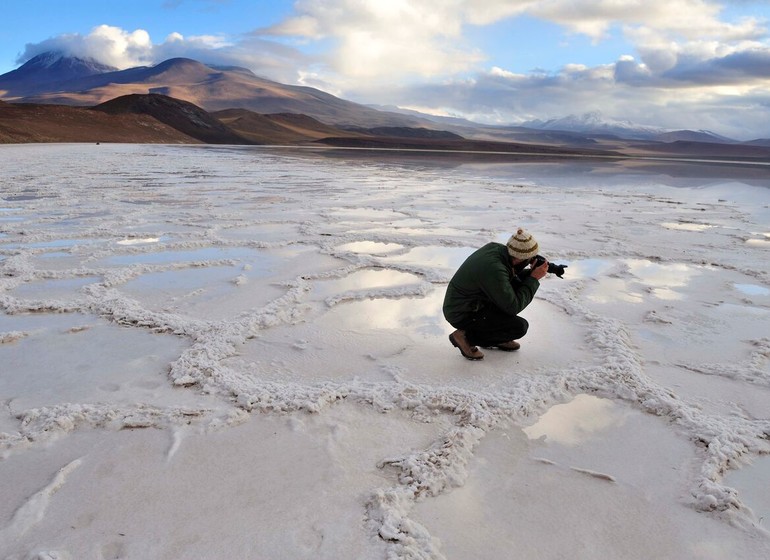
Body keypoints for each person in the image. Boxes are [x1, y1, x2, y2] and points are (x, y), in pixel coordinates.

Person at [442, 228, 556, 360]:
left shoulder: (497, 250)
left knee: (518, 285)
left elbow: (507, 278)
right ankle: (465, 337)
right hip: (462, 313)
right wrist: (533, 279)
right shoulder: (494, 268)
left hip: (475, 302)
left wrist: (531, 274)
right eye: (530, 258)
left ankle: (496, 337)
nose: (532, 260)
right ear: (520, 258)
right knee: (518, 327)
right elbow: (513, 307)